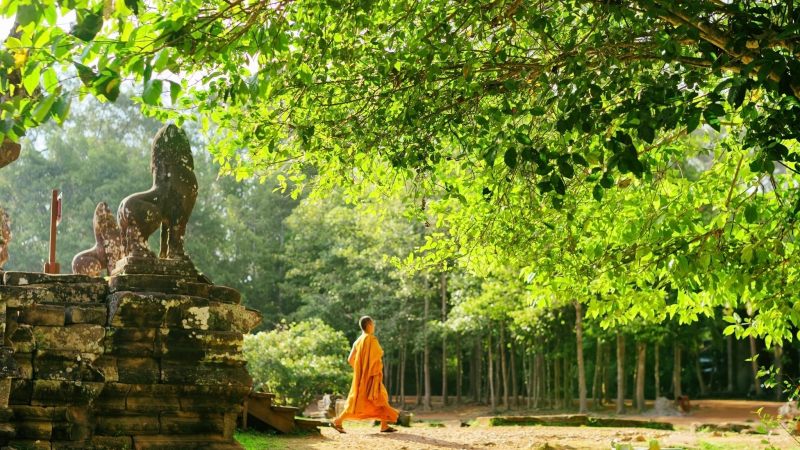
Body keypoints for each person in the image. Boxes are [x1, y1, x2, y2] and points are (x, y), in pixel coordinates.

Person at [332, 316, 399, 434]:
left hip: (362, 378)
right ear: (368, 325)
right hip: (372, 377)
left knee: (370, 399)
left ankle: (384, 425)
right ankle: (338, 421)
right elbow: (376, 358)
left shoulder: (357, 341)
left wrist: (361, 372)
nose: (374, 326)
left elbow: (350, 359)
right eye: (373, 324)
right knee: (378, 398)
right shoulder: (371, 340)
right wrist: (368, 371)